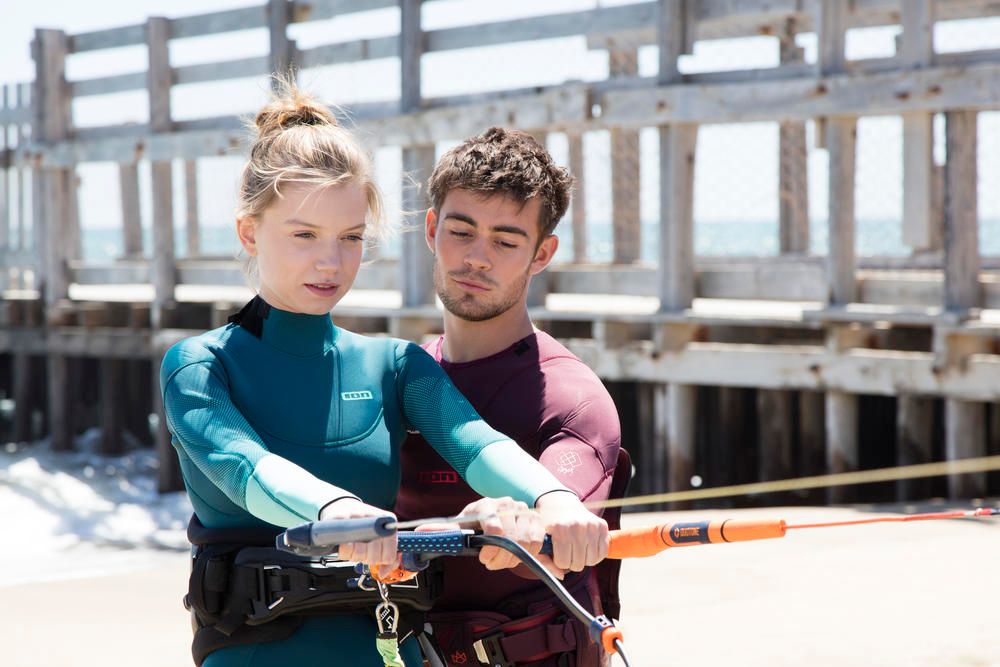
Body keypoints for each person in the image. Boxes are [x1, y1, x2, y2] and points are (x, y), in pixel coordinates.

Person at [159, 84, 608, 667]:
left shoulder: (395, 364)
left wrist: (554, 497)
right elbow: (246, 467)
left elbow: (477, 444)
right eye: (304, 235)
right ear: (249, 232)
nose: (331, 262)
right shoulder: (199, 364)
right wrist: (337, 512)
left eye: (350, 238)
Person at [395, 127, 627, 667]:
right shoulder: (401, 378)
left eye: (505, 241)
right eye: (461, 231)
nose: (477, 258)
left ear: (541, 253)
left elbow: (562, 525)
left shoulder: (571, 399)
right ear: (432, 229)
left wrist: (514, 519)